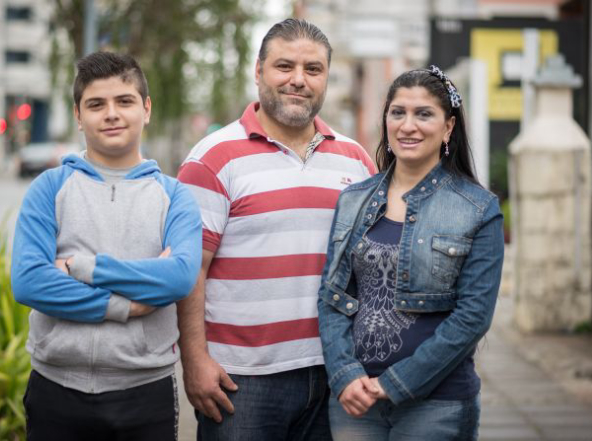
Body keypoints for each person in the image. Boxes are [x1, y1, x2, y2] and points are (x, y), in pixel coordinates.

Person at [177, 18, 376, 441]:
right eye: (284, 67)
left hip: (335, 372)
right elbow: (190, 268)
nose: (298, 81)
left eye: (313, 70)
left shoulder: (356, 160)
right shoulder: (211, 159)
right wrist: (194, 360)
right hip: (241, 381)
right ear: (258, 71)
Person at [11, 51, 202, 441]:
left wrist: (81, 267)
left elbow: (179, 278)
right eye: (96, 104)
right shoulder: (48, 188)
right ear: (79, 116)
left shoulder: (175, 196)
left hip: (145, 392)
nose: (111, 113)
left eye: (125, 101)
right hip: (55, 388)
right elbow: (30, 282)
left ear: (146, 109)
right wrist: (123, 306)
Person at [317, 66, 505, 440]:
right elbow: (332, 298)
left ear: (448, 127)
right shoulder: (353, 201)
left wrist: (396, 383)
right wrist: (344, 374)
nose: (408, 125)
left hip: (437, 405)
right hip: (355, 402)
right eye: (398, 112)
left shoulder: (478, 209)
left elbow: (473, 317)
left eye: (424, 114)